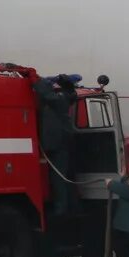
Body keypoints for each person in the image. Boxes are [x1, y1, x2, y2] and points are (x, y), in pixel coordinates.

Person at [34, 73, 81, 218]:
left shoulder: (61, 98)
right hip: (60, 143)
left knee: (58, 178)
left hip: (58, 144)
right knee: (65, 177)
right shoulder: (64, 98)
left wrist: (35, 78)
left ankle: (61, 211)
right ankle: (72, 207)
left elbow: (46, 94)